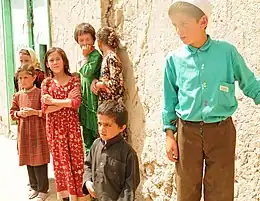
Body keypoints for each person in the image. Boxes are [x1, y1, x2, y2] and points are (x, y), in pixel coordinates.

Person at [163, 1, 260, 201]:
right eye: (175, 26)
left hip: (221, 132)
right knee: (186, 192)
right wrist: (169, 135)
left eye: (184, 24)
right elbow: (169, 101)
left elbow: (250, 84)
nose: (179, 31)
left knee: (221, 192)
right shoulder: (174, 60)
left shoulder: (227, 53)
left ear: (203, 21)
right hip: (186, 133)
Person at [41, 47, 85, 201]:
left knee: (76, 161)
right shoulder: (46, 83)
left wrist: (53, 101)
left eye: (57, 59)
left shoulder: (74, 79)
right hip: (54, 128)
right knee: (60, 162)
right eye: (51, 60)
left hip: (71, 127)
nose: (55, 62)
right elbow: (45, 109)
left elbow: (76, 102)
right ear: (47, 64)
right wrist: (66, 101)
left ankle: (78, 195)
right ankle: (66, 196)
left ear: (64, 60)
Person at [83, 100, 140, 201]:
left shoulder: (128, 154)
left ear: (122, 128)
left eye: (107, 125)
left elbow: (129, 187)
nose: (101, 129)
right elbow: (88, 165)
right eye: (99, 124)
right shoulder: (96, 144)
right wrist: (87, 181)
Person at [10, 64, 50, 201]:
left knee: (39, 160)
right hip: (24, 133)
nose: (22, 81)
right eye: (20, 78)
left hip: (38, 133)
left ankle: (43, 189)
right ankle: (33, 186)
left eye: (25, 77)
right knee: (28, 159)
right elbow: (12, 113)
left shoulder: (40, 94)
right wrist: (18, 113)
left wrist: (35, 112)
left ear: (34, 77)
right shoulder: (17, 95)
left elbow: (47, 113)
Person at [74, 22, 102, 154]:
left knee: (96, 130)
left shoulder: (95, 55)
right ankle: (88, 163)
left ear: (93, 40)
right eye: (81, 40)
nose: (85, 43)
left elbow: (87, 72)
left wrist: (85, 56)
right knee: (86, 134)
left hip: (93, 99)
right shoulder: (82, 56)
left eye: (87, 39)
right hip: (84, 100)